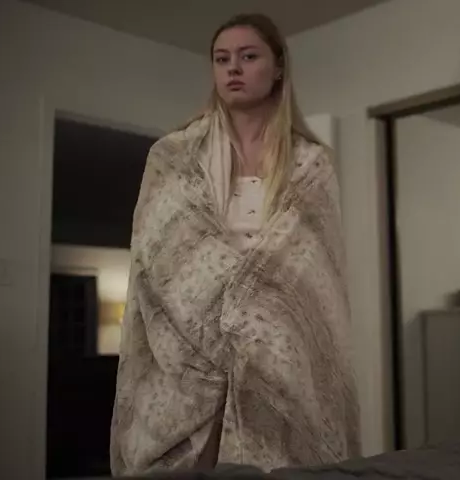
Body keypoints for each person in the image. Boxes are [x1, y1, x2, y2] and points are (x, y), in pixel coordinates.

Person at [109, 13, 360, 475]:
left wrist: (256, 320)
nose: (233, 69)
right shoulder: (173, 156)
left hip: (276, 353)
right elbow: (158, 257)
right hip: (190, 351)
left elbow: (313, 278)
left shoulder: (311, 164)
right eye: (222, 59)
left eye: (248, 56)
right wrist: (219, 324)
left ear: (278, 67)